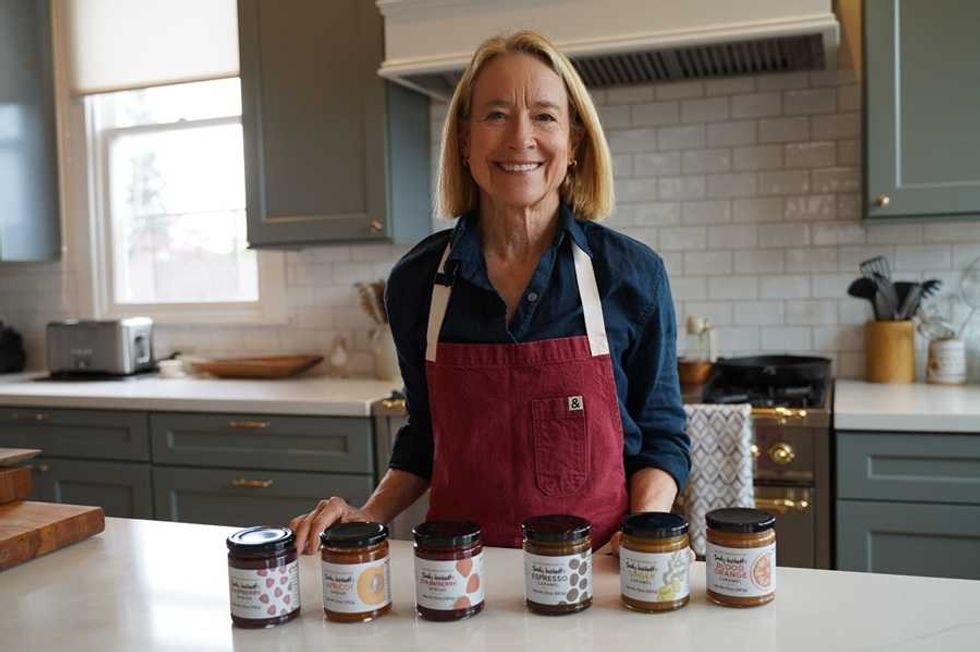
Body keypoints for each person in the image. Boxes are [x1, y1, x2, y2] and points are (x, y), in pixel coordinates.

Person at [291, 30, 689, 554]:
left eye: (545, 116)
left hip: (597, 577)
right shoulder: (418, 282)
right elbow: (425, 437)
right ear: (463, 142)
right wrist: (367, 515)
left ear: (574, 145)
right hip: (455, 577)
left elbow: (661, 438)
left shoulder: (631, 275)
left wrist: (644, 530)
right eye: (496, 114)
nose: (519, 137)